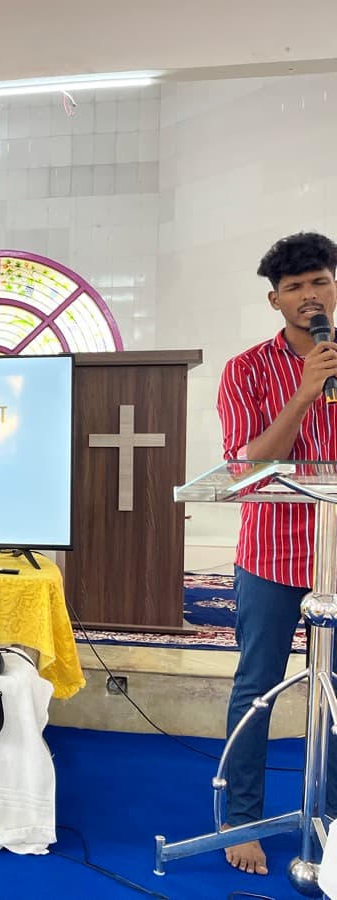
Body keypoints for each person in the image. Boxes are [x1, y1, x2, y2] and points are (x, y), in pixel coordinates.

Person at [217, 231, 337, 874]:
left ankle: (333, 821)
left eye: (320, 281)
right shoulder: (246, 369)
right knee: (257, 687)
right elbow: (248, 468)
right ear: (275, 300)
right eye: (295, 287)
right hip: (272, 555)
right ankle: (242, 819)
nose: (309, 295)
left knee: (336, 693)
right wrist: (305, 391)